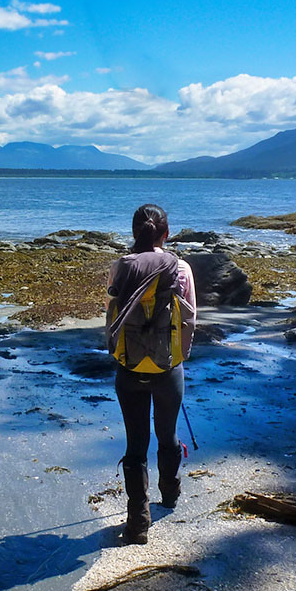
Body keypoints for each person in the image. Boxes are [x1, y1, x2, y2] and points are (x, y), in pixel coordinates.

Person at [105, 204, 196, 545]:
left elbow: (111, 316)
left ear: (134, 233)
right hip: (168, 368)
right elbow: (190, 319)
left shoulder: (120, 267)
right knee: (167, 435)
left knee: (135, 445)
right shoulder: (181, 268)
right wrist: (177, 357)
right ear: (166, 234)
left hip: (128, 369)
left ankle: (137, 522)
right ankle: (170, 494)